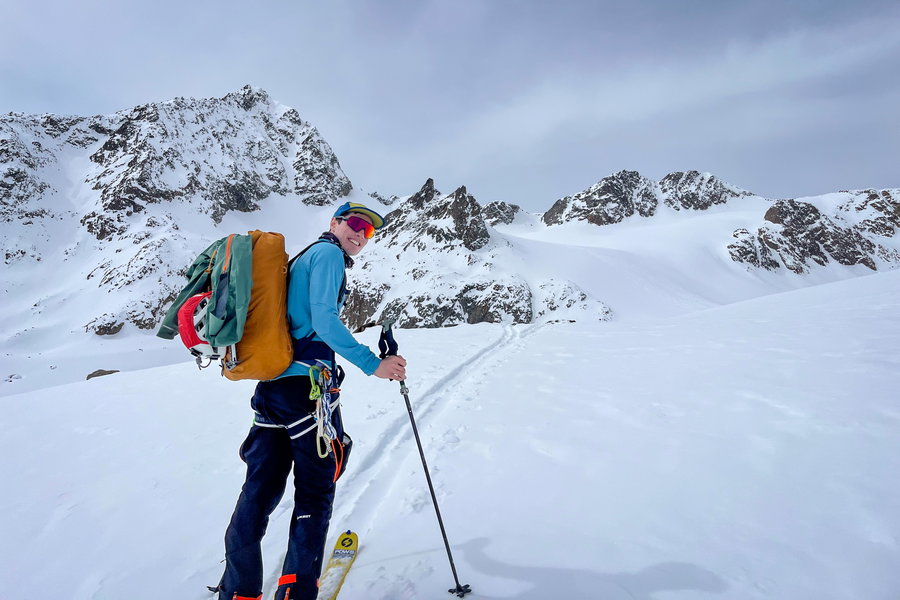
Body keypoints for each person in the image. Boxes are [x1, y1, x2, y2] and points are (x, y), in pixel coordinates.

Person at [215, 201, 407, 600]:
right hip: (309, 392)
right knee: (315, 492)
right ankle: (295, 593)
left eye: (368, 232)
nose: (360, 234)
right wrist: (374, 364)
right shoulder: (328, 255)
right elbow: (324, 320)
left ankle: (238, 591)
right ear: (334, 222)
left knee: (259, 490)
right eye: (355, 223)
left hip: (273, 388)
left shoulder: (306, 257)